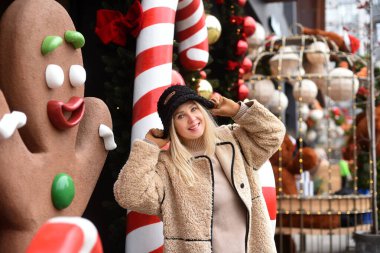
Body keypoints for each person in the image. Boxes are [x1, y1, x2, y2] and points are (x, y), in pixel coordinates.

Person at [114, 84, 285, 253]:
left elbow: (273, 133)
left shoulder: (233, 139)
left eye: (194, 109)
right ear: (171, 126)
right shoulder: (167, 166)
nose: (191, 119)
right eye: (180, 116)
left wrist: (237, 110)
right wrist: (148, 147)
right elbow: (130, 195)